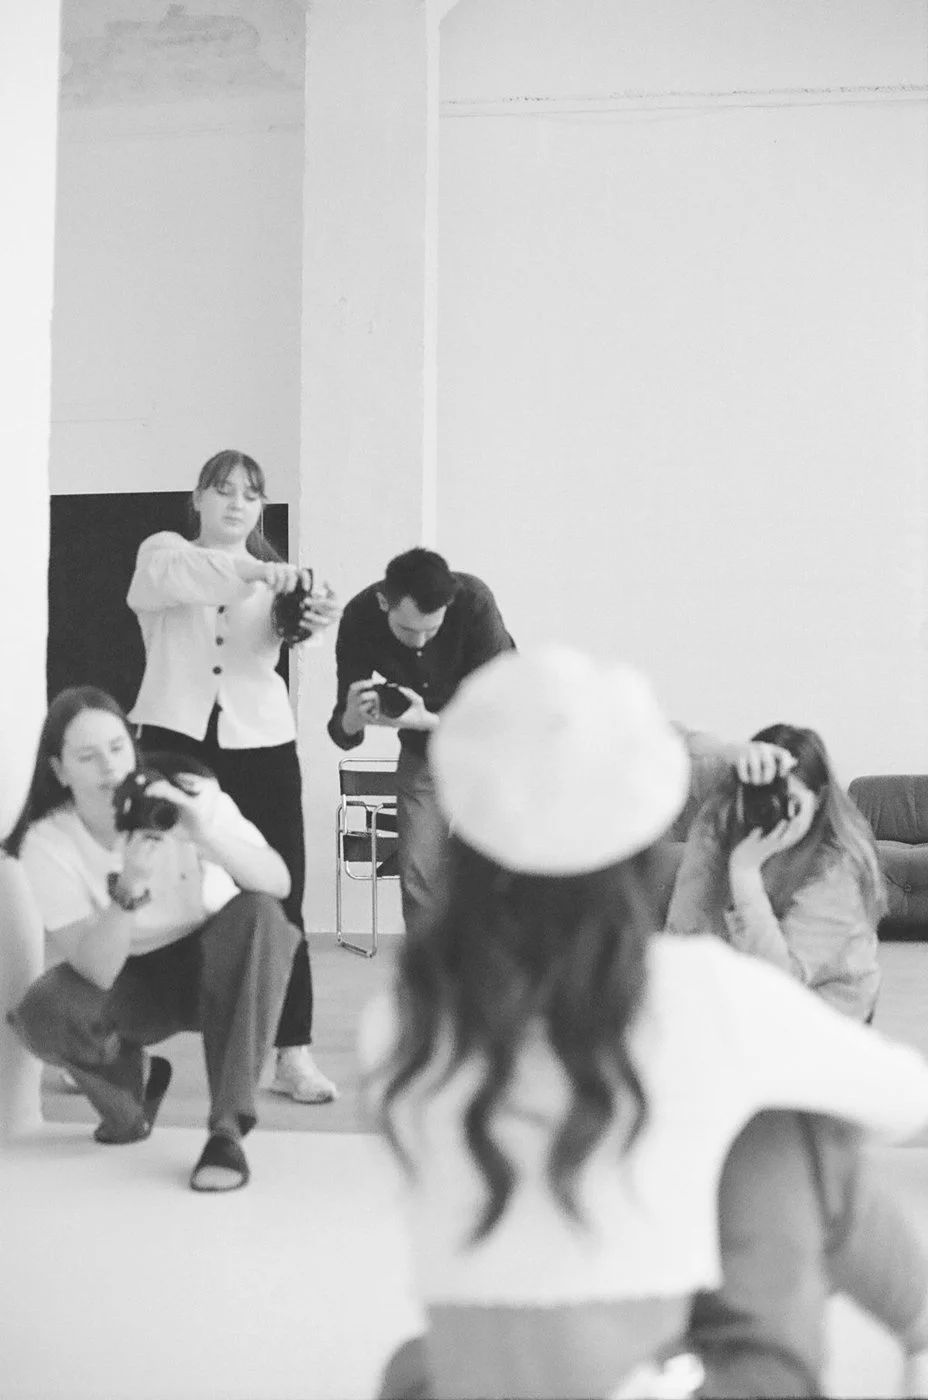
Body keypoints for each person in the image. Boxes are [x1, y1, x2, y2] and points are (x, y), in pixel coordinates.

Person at [357, 646, 928, 1400]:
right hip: (661, 1381)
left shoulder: (400, 1014)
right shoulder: (709, 997)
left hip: (472, 1381)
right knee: (788, 1122)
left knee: (416, 1365)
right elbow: (906, 1100)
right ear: (642, 826)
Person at [4, 687, 299, 1192]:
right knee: (45, 1010)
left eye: (118, 748)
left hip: (215, 964)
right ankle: (129, 1102)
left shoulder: (190, 794)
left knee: (261, 914)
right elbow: (95, 973)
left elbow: (278, 883)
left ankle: (227, 1131)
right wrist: (128, 892)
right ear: (59, 770)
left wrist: (203, 834)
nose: (108, 768)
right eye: (87, 756)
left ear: (133, 747)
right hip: (133, 979)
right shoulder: (48, 842)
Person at [126, 448, 339, 1103]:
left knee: (282, 894)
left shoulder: (280, 579)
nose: (236, 503)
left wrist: (311, 614)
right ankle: (114, 1039)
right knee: (148, 887)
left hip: (262, 744)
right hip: (171, 737)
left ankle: (292, 1052)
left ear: (261, 504)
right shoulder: (163, 552)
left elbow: (286, 641)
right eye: (222, 491)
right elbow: (185, 578)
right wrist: (260, 571)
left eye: (250, 494)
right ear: (197, 498)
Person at [327, 546, 514, 931]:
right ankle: (428, 981)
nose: (420, 642)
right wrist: (352, 717)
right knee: (416, 872)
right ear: (384, 602)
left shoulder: (475, 602)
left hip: (496, 747)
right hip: (422, 754)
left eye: (433, 629)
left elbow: (493, 711)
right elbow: (343, 732)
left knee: (496, 868)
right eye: (407, 630)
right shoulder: (360, 618)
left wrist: (426, 719)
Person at [665, 722, 883, 1021]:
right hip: (744, 998)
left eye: (789, 803)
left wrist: (745, 874)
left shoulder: (837, 866)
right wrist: (727, 750)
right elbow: (655, 736)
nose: (771, 815)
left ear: (818, 799)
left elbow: (780, 981)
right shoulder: (726, 808)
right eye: (760, 798)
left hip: (828, 1014)